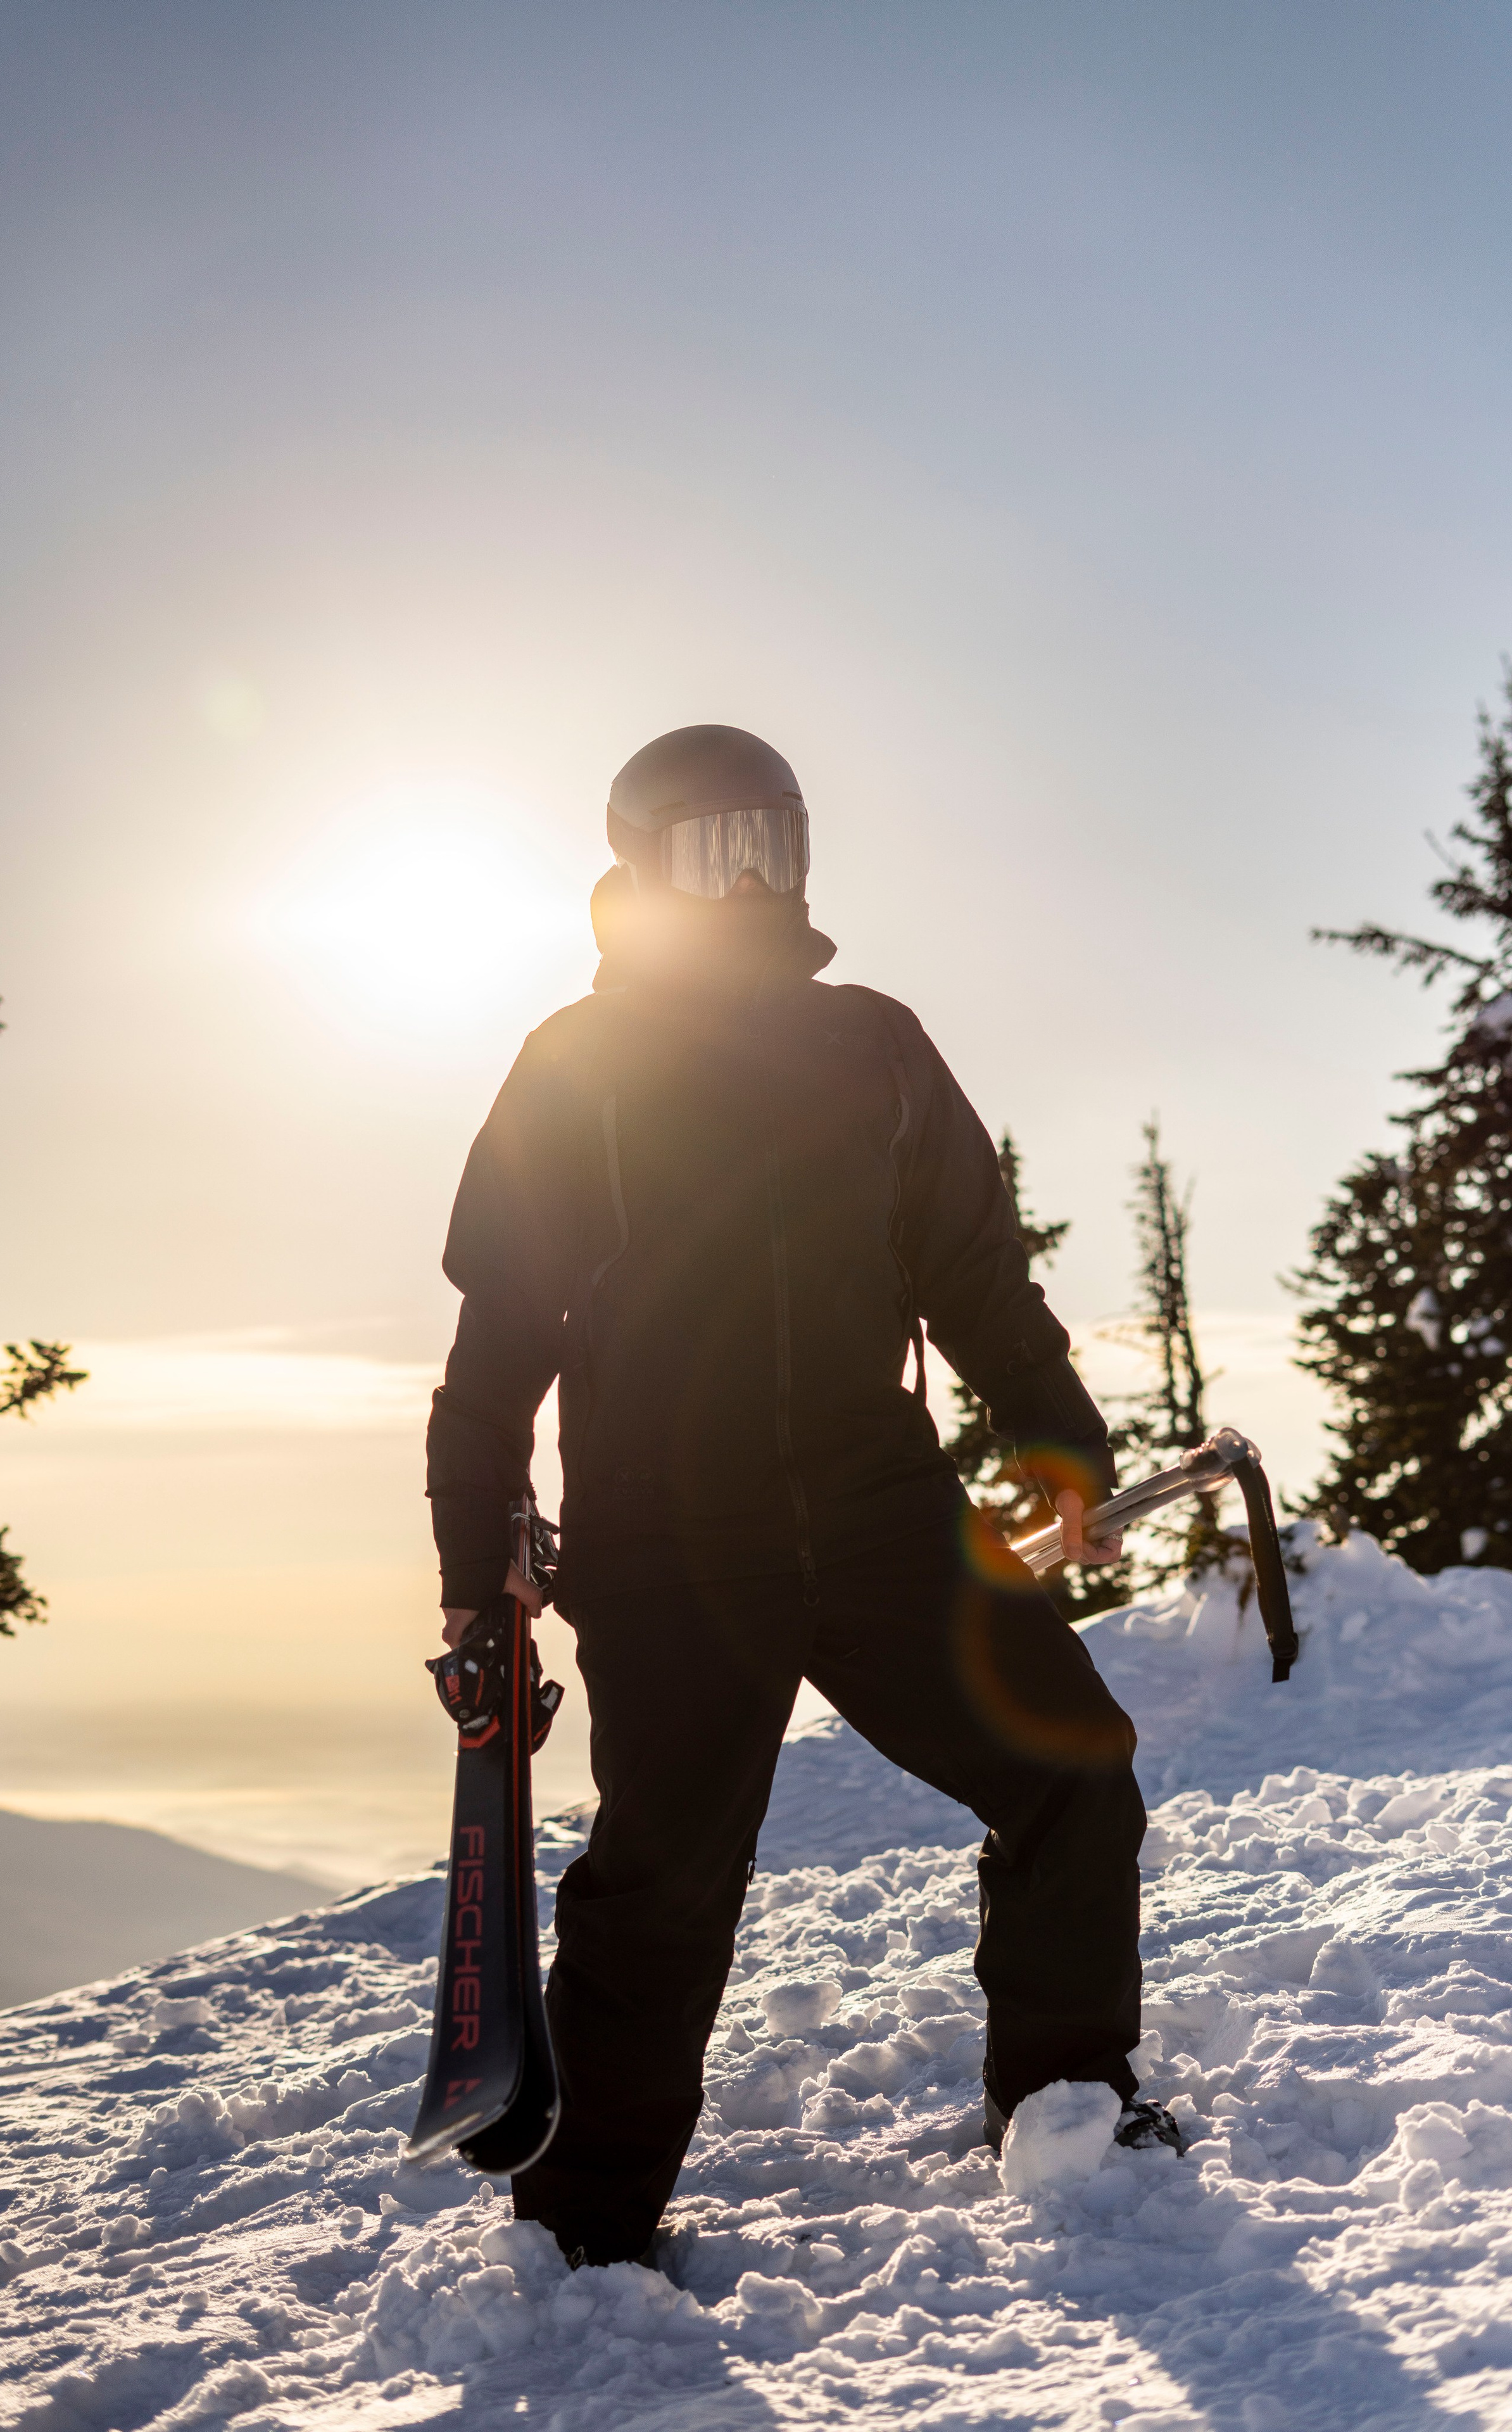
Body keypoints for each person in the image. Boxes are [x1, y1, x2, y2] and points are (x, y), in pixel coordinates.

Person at [427, 723, 1179, 2270]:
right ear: (638, 873)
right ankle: (584, 2231)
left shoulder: (873, 1044)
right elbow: (498, 1334)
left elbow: (974, 1277)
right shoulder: (579, 1065)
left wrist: (1061, 1453)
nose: (752, 876)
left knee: (1073, 1768)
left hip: (873, 1505)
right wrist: (472, 1550)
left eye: (774, 838)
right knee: (666, 1881)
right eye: (712, 848)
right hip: (662, 1529)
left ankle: (1064, 2104)